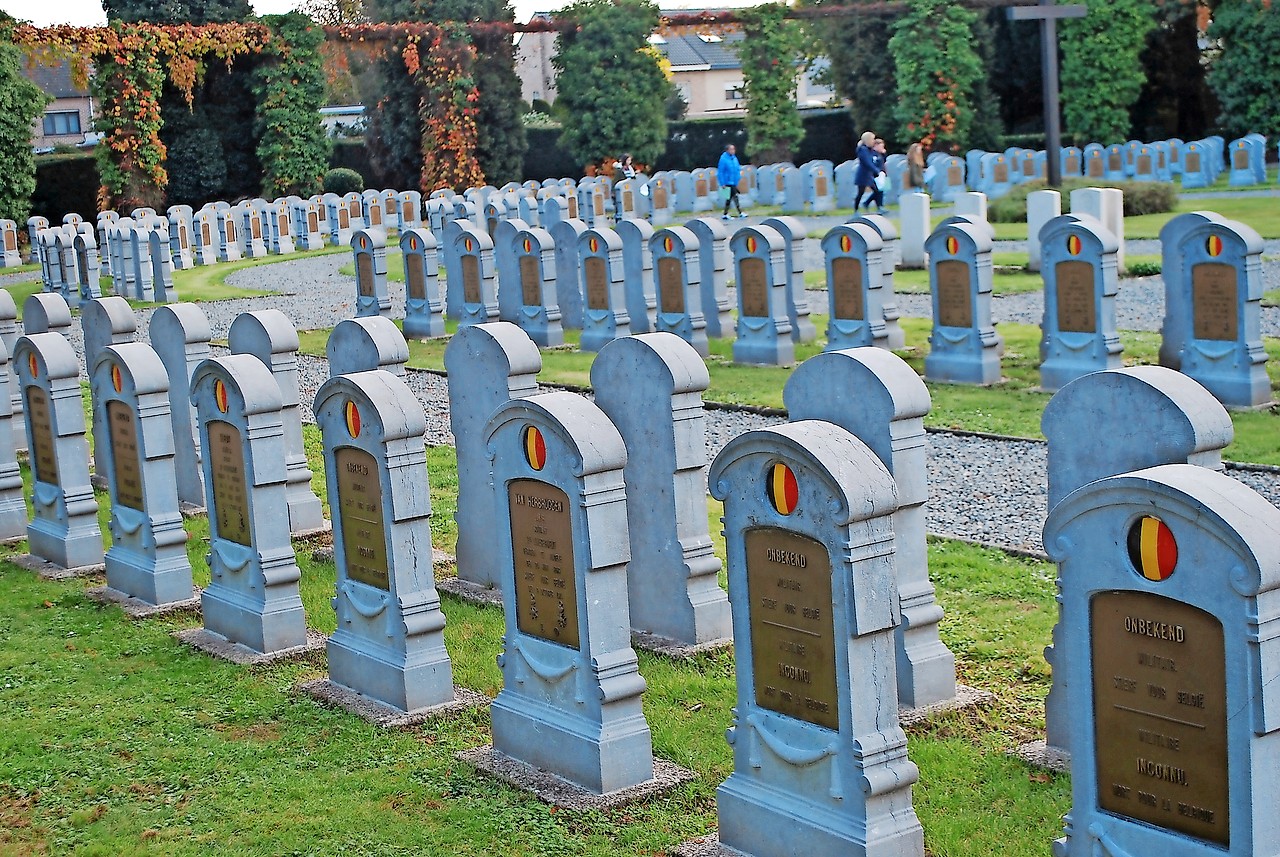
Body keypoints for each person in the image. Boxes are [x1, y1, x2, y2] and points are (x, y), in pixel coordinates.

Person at [853, 130, 884, 214]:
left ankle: (878, 207)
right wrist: (876, 170)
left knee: (877, 191)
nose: (874, 141)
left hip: (869, 175)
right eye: (872, 139)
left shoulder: (868, 149)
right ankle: (856, 210)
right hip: (863, 175)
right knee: (860, 193)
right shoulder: (862, 150)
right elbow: (867, 162)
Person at [717, 143, 747, 219]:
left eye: (733, 149)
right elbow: (720, 171)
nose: (733, 151)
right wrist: (722, 183)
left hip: (734, 181)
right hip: (727, 181)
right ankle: (740, 212)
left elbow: (737, 169)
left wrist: (738, 178)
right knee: (735, 196)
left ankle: (725, 214)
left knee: (729, 198)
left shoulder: (734, 158)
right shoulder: (723, 159)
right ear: (727, 150)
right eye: (731, 149)